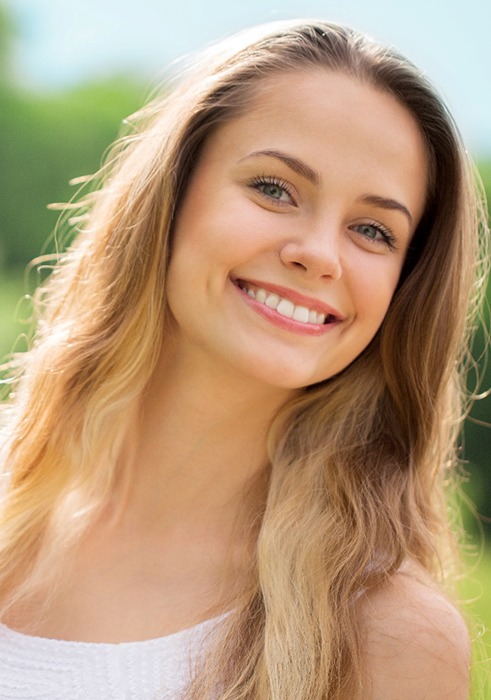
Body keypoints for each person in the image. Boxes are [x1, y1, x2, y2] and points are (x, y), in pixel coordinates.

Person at [0, 18, 488, 700]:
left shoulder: (388, 637)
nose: (318, 253)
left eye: (372, 230)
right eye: (274, 188)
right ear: (171, 195)